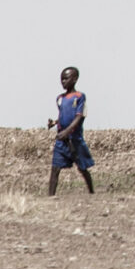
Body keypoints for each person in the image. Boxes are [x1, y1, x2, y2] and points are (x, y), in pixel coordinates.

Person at [48, 66, 94, 195]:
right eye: (62, 79)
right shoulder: (60, 98)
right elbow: (63, 115)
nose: (63, 81)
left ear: (74, 79)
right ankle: (50, 197)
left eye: (66, 78)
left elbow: (79, 117)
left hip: (75, 140)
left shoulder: (79, 97)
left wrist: (67, 131)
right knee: (55, 168)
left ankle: (91, 192)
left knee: (82, 168)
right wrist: (55, 123)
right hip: (61, 140)